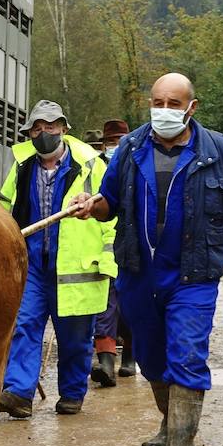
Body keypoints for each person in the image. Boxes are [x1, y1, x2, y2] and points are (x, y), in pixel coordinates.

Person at [71, 73, 223, 446]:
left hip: (193, 275)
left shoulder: (220, 151)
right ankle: (172, 426)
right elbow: (108, 202)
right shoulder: (130, 148)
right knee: (152, 357)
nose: (163, 111)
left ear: (192, 106)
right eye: (157, 102)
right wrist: (89, 205)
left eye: (173, 103)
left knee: (186, 353)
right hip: (138, 273)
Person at [0, 100, 117, 417]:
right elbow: (4, 210)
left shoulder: (91, 166)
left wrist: (107, 260)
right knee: (24, 326)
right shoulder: (22, 167)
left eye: (50, 126)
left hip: (76, 267)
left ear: (63, 128)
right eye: (37, 128)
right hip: (32, 265)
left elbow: (112, 217)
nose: (43, 132)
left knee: (75, 338)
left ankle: (72, 394)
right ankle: (19, 393)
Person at [91, 119, 133, 382]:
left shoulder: (136, 166)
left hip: (131, 249)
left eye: (119, 142)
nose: (114, 147)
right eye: (110, 143)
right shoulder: (92, 169)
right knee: (103, 309)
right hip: (98, 251)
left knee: (129, 307)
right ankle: (106, 364)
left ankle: (130, 357)